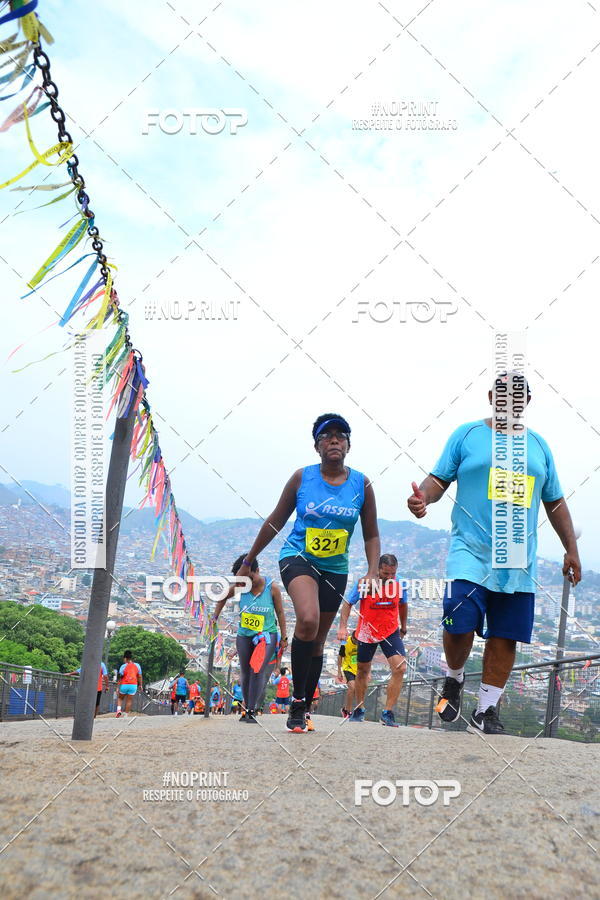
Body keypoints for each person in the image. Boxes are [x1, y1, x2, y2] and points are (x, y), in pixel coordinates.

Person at [407, 373, 582, 734]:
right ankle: (454, 678)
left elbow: (554, 502)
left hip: (518, 558)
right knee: (458, 618)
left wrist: (572, 549)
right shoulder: (467, 435)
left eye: (518, 396)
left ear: (527, 402)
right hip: (470, 550)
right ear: (491, 396)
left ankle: (485, 710)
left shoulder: (539, 447)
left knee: (505, 635)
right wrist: (423, 497)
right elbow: (437, 480)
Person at [235, 413, 380, 733]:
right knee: (309, 619)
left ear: (348, 445)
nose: (334, 440)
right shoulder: (302, 478)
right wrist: (250, 559)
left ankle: (301, 704)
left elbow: (371, 533)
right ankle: (297, 702)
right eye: (326, 436)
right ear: (317, 446)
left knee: (317, 642)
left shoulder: (362, 484)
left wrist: (372, 571)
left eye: (341, 435)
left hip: (335, 568)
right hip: (297, 558)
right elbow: (276, 519)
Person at [212, 555, 287, 724]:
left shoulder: (272, 588)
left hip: (266, 635)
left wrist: (284, 637)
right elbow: (222, 597)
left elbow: (280, 613)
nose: (247, 582)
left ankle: (252, 709)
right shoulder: (241, 587)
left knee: (257, 670)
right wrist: (215, 617)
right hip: (245, 635)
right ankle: (246, 707)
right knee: (245, 672)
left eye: (249, 577)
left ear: (257, 570)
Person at [338, 554, 408, 726]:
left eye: (393, 574)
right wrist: (343, 626)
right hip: (367, 631)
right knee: (362, 670)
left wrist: (404, 626)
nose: (390, 577)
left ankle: (387, 712)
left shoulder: (400, 583)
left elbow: (403, 604)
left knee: (400, 668)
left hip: (390, 630)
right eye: (386, 573)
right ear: (378, 569)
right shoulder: (365, 583)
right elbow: (347, 603)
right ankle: (360, 708)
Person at [337, 630, 358, 718]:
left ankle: (345, 709)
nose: (357, 643)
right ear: (352, 638)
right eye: (356, 641)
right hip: (348, 667)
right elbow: (340, 656)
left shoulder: (362, 643)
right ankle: (348, 711)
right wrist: (339, 672)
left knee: (357, 690)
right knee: (352, 687)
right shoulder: (345, 642)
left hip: (358, 669)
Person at [116, 651, 142, 717]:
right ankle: (126, 715)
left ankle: (119, 711)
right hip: (133, 685)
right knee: (129, 700)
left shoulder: (123, 666)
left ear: (125, 658)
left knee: (120, 698)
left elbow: (120, 677)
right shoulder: (137, 665)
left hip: (124, 684)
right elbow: (139, 676)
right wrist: (140, 685)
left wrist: (117, 687)